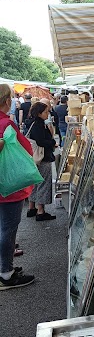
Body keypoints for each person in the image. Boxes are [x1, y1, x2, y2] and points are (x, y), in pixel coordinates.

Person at [0, 84, 35, 289]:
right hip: (9, 183)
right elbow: (24, 148)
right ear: (7, 101)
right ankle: (6, 273)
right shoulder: (6, 123)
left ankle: (5, 267)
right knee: (8, 228)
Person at [25, 102, 57, 222]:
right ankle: (40, 211)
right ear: (39, 113)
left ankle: (32, 207)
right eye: (46, 112)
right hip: (42, 157)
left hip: (33, 157)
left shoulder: (30, 122)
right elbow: (41, 141)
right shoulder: (39, 125)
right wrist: (53, 143)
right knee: (43, 183)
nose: (47, 114)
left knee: (34, 183)